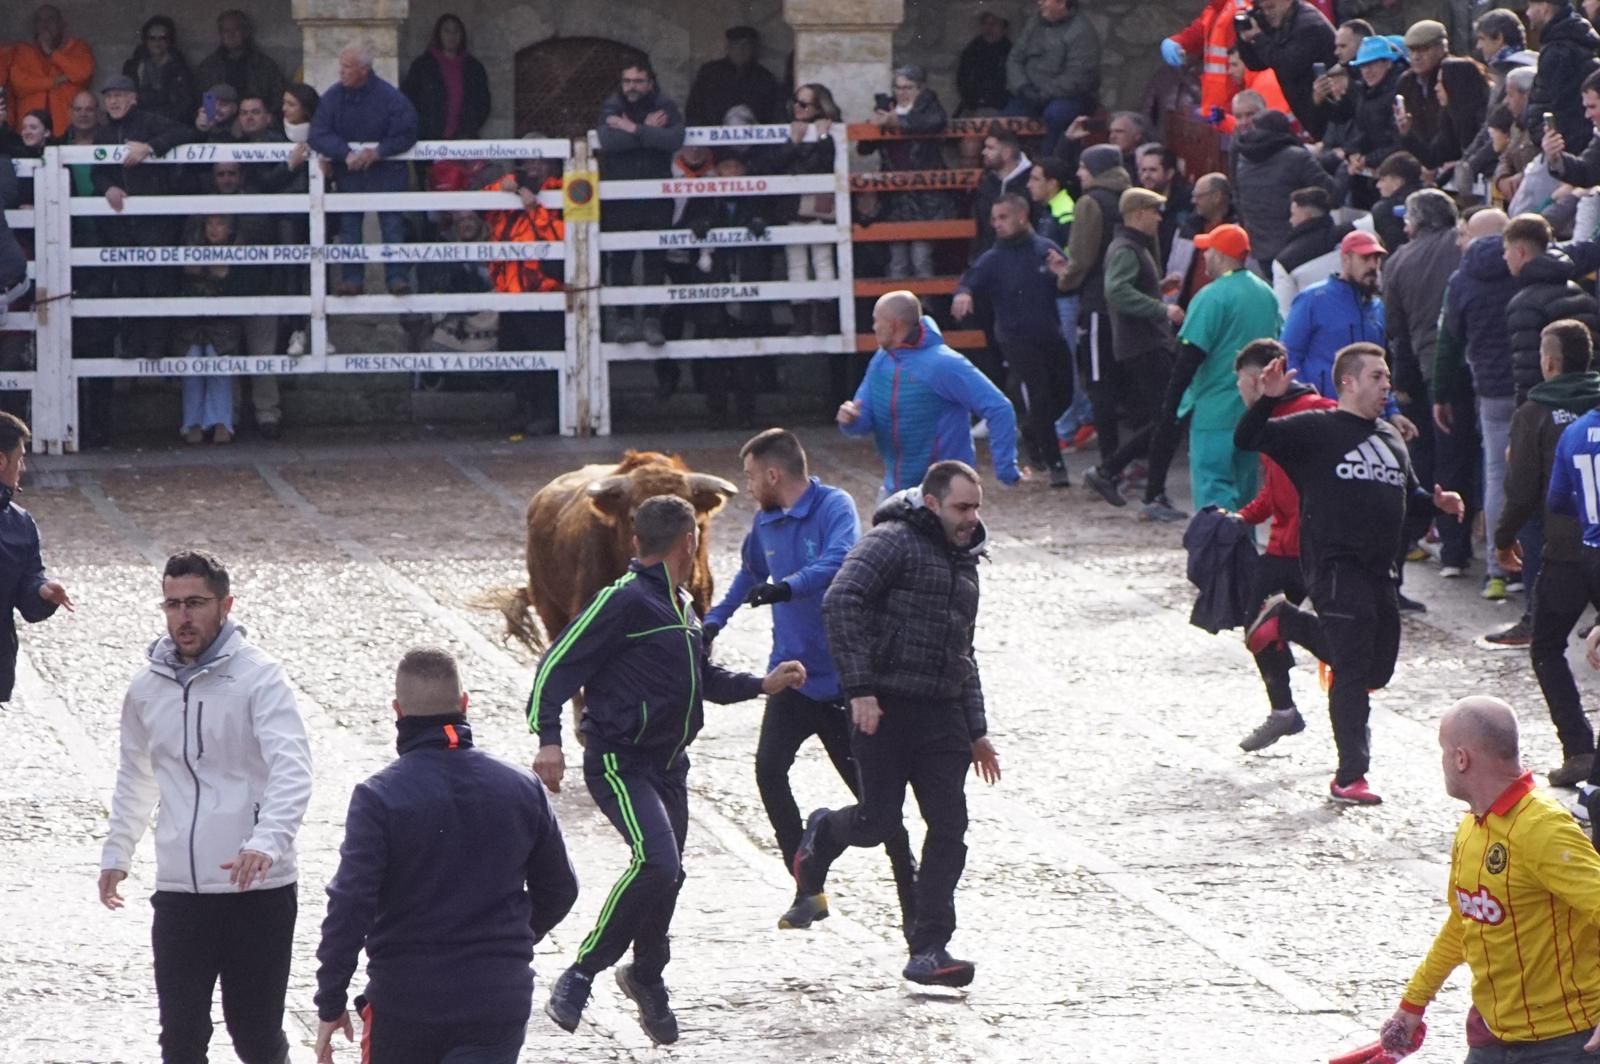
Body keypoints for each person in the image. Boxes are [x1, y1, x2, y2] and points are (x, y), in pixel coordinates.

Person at [529, 496, 806, 1045]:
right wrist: (549, 740)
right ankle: (582, 972)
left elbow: (705, 680)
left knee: (670, 872)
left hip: (669, 766)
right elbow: (554, 669)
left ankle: (647, 975)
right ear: (690, 543)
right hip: (618, 761)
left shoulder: (683, 606)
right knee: (656, 862)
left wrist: (762, 684)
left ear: (639, 542)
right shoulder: (623, 602)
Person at [791, 460, 1002, 987]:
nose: (971, 518)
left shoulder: (966, 558)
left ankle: (929, 947)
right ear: (931, 503)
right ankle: (823, 832)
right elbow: (841, 599)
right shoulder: (892, 541)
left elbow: (963, 651)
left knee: (950, 828)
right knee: (878, 822)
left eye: (976, 507)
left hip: (943, 716)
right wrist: (860, 689)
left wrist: (977, 730)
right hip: (883, 708)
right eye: (961, 507)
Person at [313, 647, 578, 1064]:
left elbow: (350, 904)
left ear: (397, 711)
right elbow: (560, 889)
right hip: (497, 998)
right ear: (464, 704)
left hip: (406, 1003)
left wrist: (331, 1000)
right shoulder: (521, 788)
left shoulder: (379, 797)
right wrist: (508, 942)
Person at [98, 549, 313, 1064]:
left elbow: (293, 768)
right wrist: (117, 852)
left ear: (225, 604)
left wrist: (265, 842)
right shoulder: (146, 686)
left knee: (256, 1035)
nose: (183, 617)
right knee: (181, 1038)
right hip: (179, 892)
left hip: (255, 890)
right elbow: (136, 772)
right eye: (172, 605)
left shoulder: (260, 677)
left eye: (195, 603)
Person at [701, 430, 919, 936]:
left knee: (881, 812)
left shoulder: (833, 506)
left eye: (752, 476)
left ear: (774, 474)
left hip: (846, 685)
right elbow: (747, 574)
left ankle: (918, 919)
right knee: (768, 770)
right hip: (793, 680)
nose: (749, 485)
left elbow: (840, 559)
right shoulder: (765, 522)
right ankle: (807, 886)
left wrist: (787, 586)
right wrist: (714, 622)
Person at [1239, 346, 1464, 804]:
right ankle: (1350, 775)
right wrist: (1268, 398)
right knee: (1352, 666)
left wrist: (1435, 503)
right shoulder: (1316, 428)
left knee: (1376, 669)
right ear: (1349, 382)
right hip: (1334, 564)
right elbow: (1248, 438)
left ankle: (1285, 620)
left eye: (1387, 377)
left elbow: (1408, 491)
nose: (1387, 386)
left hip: (1382, 571)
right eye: (1378, 377)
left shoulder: (1390, 437)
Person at [1381, 696, 1600, 1059]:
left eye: (1443, 751)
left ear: (1461, 758)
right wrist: (1413, 1004)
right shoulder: (1472, 826)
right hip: (1492, 1039)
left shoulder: (1544, 828)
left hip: (1566, 1044)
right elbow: (1462, 923)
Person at [1084, 221, 1279, 517]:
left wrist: (1170, 407)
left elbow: (1189, 356)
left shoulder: (1212, 297)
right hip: (1252, 412)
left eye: (1208, 251)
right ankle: (1245, 557)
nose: (1204, 257)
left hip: (1213, 415)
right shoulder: (1266, 294)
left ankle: (1218, 558)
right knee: (1245, 498)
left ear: (1222, 255)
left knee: (1215, 494)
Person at [1495, 322, 1600, 786]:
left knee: (1546, 646)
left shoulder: (1535, 410)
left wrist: (1503, 536)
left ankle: (1578, 748)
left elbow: (1524, 491)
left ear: (1550, 361)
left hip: (1566, 552)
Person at [1234, 339, 1337, 752]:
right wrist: (1240, 518)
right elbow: (1274, 492)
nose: (1239, 392)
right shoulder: (1267, 420)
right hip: (1282, 547)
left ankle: (1354, 721)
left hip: (1322, 548)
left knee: (1340, 639)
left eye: (1242, 382)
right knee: (1256, 622)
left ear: (1262, 379)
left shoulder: (1321, 413)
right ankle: (1284, 711)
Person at [840, 291, 1021, 495]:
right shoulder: (881, 361)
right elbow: (863, 419)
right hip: (897, 492)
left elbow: (999, 408)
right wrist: (850, 420)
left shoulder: (944, 364)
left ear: (894, 325)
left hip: (945, 495)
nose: (873, 328)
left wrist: (1006, 469)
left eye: (876, 321)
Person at [1074, 188, 1184, 512]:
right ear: (1137, 214)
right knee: (1168, 417)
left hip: (1143, 342)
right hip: (1144, 343)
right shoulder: (1126, 248)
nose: (1158, 217)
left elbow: (1124, 287)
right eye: (1154, 211)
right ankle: (1126, 478)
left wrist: (1157, 289)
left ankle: (1119, 473)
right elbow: (1117, 290)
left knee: (1166, 418)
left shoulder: (1131, 246)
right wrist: (1161, 308)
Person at [954, 195, 1074, 485]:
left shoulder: (1044, 249)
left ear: (1022, 216)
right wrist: (964, 294)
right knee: (1040, 394)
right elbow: (970, 279)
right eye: (994, 219)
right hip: (1015, 336)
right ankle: (1055, 463)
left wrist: (1063, 274)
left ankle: (1032, 429)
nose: (997, 224)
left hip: (1049, 333)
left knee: (1064, 393)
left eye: (1003, 217)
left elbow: (1069, 283)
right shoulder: (993, 258)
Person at [1384, 190, 1468, 575]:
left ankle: (1446, 547)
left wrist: (1401, 383)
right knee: (1466, 458)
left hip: (1427, 370)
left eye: (1407, 220)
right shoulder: (1465, 245)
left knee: (1431, 458)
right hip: (1474, 365)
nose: (1403, 226)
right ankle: (1466, 549)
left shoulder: (1399, 260)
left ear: (1417, 223)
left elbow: (1396, 331)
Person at [310, 42, 420, 297]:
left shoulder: (389, 97)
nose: (341, 72)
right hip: (350, 175)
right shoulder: (334, 97)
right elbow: (318, 132)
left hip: (387, 174)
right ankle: (352, 280)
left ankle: (397, 278)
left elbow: (408, 130)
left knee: (393, 227)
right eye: (341, 66)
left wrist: (379, 152)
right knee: (349, 228)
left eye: (347, 67)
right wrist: (344, 153)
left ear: (364, 70)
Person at [93, 74, 190, 362]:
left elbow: (183, 133)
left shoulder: (149, 121)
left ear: (133, 98)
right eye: (109, 96)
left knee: (157, 283)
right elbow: (97, 171)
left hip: (154, 222)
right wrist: (107, 187)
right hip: (122, 223)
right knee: (128, 284)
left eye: (120, 95)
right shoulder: (103, 133)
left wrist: (148, 147)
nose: (114, 101)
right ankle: (133, 345)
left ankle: (156, 347)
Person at [596, 61, 684, 346]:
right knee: (620, 260)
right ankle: (623, 320)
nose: (632, 87)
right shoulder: (612, 105)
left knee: (654, 261)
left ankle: (651, 320)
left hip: (656, 198)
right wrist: (645, 133)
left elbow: (673, 139)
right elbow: (609, 141)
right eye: (627, 81)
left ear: (650, 83)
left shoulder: (665, 105)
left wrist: (631, 128)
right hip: (621, 198)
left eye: (638, 81)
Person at [1056, 144, 1132, 469]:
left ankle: (1109, 462)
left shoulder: (1090, 203)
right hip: (1129, 301)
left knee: (1100, 381)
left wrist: (1064, 280)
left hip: (1098, 301)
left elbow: (1082, 256)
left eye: (1083, 167)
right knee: (1129, 381)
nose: (1078, 173)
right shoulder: (1131, 198)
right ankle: (1132, 459)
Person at [859, 66, 953, 281]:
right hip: (895, 198)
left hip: (925, 197)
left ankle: (924, 311)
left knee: (921, 259)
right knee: (897, 261)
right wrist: (875, 126)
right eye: (898, 87)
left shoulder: (930, 107)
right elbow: (864, 148)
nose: (901, 92)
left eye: (907, 87)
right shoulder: (887, 109)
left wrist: (897, 123)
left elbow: (934, 122)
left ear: (919, 89)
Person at [0, 412, 69, 705]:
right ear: (1, 461)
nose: (23, 468)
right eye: (21, 459)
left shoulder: (20, 525)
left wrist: (42, 592)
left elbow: (27, 594)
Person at [773, 83, 841, 336]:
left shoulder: (831, 130)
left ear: (818, 107)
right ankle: (801, 320)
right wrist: (792, 143)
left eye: (804, 104)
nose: (797, 108)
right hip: (791, 208)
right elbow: (772, 163)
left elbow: (827, 164)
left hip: (818, 208)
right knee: (796, 265)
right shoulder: (785, 130)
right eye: (796, 102)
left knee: (822, 262)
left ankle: (823, 320)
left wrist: (822, 137)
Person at [172, 214, 244, 445]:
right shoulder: (190, 251)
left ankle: (221, 421)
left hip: (223, 322)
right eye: (210, 224)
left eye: (220, 224)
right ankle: (192, 422)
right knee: (192, 364)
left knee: (219, 364)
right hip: (192, 322)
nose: (214, 230)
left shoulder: (238, 251)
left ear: (229, 229)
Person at [1235, 110, 1338, 271]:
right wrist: (1343, 167)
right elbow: (1332, 194)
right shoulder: (1296, 157)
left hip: (1261, 251)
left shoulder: (1243, 158)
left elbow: (1238, 200)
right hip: (1299, 249)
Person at [1004, 0, 1101, 154]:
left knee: (1056, 115)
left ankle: (1050, 165)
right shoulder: (1035, 22)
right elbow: (1014, 58)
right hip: (1029, 92)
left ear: (1062, 3)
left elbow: (1077, 77)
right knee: (1006, 121)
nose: (1039, 2)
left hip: (1069, 96)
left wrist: (1043, 94)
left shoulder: (1082, 31)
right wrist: (1022, 87)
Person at [1235, 0, 1336, 132]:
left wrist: (1259, 38)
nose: (1267, 14)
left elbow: (1288, 66)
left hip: (1334, 114)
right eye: (1263, 9)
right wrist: (1245, 39)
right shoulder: (1283, 22)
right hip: (1311, 113)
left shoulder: (1308, 25)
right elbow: (1255, 64)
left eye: (1271, 7)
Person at [400, 14, 490, 142]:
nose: (451, 36)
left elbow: (483, 102)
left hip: (464, 140)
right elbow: (408, 97)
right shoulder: (423, 65)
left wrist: (471, 125)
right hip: (429, 140)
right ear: (439, 34)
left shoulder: (474, 67)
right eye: (446, 30)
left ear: (462, 34)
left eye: (456, 31)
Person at [8, 5, 94, 137]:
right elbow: (19, 84)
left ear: (61, 24)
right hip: (31, 133)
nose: (45, 25)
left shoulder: (78, 47)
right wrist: (56, 81)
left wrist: (53, 54)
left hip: (67, 130)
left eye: (50, 19)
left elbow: (83, 73)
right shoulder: (22, 51)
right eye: (40, 20)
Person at [1525, 0, 1600, 152]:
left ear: (1544, 7)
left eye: (1531, 6)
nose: (1527, 13)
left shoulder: (1558, 52)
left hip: (1566, 151)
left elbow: (1561, 108)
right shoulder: (1573, 39)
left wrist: (1551, 143)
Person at [1272, 187, 1353, 317]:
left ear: (1305, 216)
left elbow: (1284, 311)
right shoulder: (1353, 237)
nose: (1290, 221)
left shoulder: (1285, 261)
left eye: (1293, 214)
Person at [1166, 171, 1238, 308]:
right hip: (1188, 311)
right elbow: (1173, 272)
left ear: (1217, 197)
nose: (1193, 201)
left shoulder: (1239, 231)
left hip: (1227, 310)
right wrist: (1170, 305)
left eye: (1198, 196)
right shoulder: (1186, 229)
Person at [686, 26, 783, 126]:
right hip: (714, 136)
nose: (740, 50)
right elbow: (694, 110)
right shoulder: (709, 73)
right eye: (735, 45)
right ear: (727, 48)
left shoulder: (764, 78)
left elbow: (775, 115)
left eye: (746, 46)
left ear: (753, 49)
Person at [193, 10, 287, 110]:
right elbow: (201, 99)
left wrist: (264, 117)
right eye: (226, 30)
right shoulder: (208, 67)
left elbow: (278, 99)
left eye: (236, 29)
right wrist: (211, 117)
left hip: (255, 121)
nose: (231, 35)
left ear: (246, 32)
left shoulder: (266, 66)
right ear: (220, 34)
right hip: (219, 122)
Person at [121, 16, 196, 127]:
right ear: (145, 41)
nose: (157, 42)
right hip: (139, 125)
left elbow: (186, 104)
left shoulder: (181, 69)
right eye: (152, 38)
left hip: (171, 124)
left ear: (170, 40)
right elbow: (124, 99)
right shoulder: (132, 67)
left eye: (162, 38)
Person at [973, 127, 1032, 258]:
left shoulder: (1032, 181)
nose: (983, 152)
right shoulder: (986, 183)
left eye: (990, 148)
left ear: (1006, 153)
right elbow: (981, 229)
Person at [1136, 144, 1191, 266]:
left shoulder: (1186, 203)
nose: (1146, 176)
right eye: (1143, 170)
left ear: (1170, 173)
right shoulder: (1136, 202)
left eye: (1153, 170)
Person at [957, 12, 1012, 115]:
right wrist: (970, 103)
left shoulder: (1011, 53)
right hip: (975, 106)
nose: (989, 28)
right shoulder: (971, 50)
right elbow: (963, 80)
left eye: (994, 24)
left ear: (1004, 28)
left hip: (1003, 107)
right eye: (985, 23)